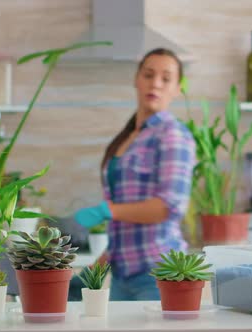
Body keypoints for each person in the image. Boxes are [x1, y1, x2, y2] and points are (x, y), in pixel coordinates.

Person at [74, 48, 196, 301]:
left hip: (160, 275)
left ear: (177, 88)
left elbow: (169, 207)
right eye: (148, 75)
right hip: (122, 277)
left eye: (166, 78)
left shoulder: (173, 135)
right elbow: (128, 229)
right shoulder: (129, 137)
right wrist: (94, 270)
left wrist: (108, 210)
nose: (155, 84)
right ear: (136, 79)